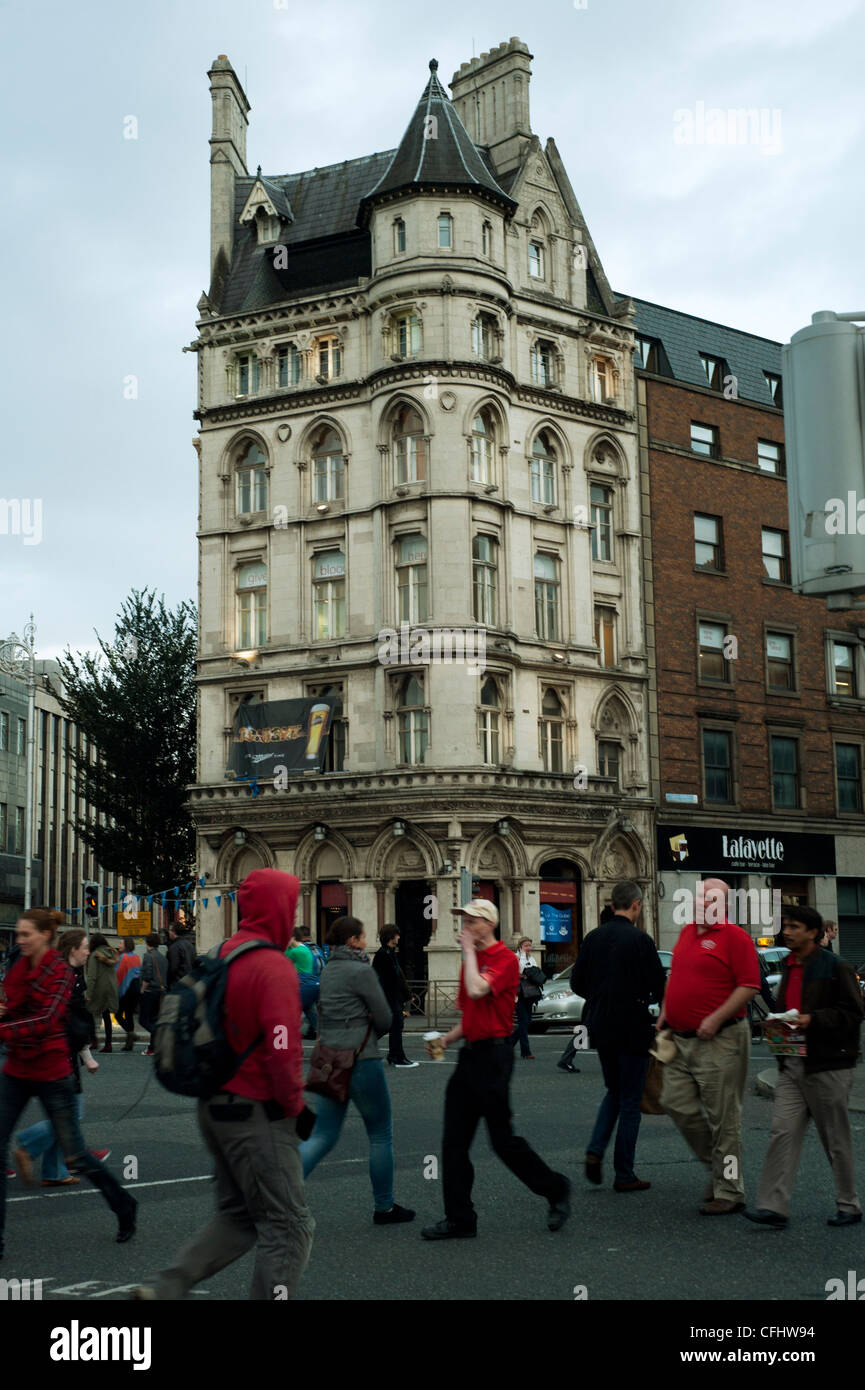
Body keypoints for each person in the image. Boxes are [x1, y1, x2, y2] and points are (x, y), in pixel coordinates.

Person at [132, 868, 315, 1300]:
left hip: (212, 1104)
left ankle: (164, 1288)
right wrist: (294, 1105)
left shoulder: (222, 953)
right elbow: (282, 1046)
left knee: (236, 1216)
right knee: (289, 1225)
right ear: (280, 908)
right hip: (256, 1112)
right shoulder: (273, 966)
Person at [421, 901, 571, 1240]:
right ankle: (460, 1219)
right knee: (453, 1142)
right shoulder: (471, 963)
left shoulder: (505, 959)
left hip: (495, 1057)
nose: (465, 927)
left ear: (488, 924)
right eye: (463, 920)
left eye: (471, 920)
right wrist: (446, 1039)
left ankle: (556, 1188)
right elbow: (470, 1014)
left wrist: (468, 954)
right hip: (470, 1056)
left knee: (503, 1142)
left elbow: (478, 989)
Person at [0, 909, 137, 1259]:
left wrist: (5, 1025)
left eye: (26, 934)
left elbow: (45, 1020)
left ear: (46, 936)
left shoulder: (59, 972)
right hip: (17, 1067)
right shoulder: (18, 967)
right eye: (18, 934)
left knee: (75, 1155)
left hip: (51, 1070)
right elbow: (11, 1005)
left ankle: (124, 1204)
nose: (20, 939)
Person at [745, 906, 864, 1229]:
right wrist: (777, 1026)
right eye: (785, 926)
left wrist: (812, 1019)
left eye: (794, 926)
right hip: (792, 1064)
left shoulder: (834, 966)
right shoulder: (789, 964)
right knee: (781, 1133)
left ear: (813, 932)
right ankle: (773, 1206)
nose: (787, 931)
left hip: (827, 1065)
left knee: (835, 1138)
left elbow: (853, 1013)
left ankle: (849, 1204)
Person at [300, 916, 415, 1223]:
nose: (367, 941)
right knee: (380, 1134)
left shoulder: (328, 970)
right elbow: (385, 1017)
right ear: (353, 941)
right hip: (361, 1057)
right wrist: (367, 1027)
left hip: (328, 1058)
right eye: (363, 937)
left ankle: (276, 1193)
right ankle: (384, 1206)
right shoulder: (361, 970)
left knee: (322, 1135)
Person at [657, 877, 760, 1215]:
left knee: (724, 1121)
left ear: (725, 905)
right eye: (702, 897)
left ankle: (730, 1190)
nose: (705, 903)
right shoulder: (687, 933)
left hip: (722, 1038)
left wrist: (715, 1018)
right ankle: (717, 1171)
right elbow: (676, 976)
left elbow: (749, 986)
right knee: (675, 1102)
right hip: (682, 1037)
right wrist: (666, 1010)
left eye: (713, 899)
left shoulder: (736, 938)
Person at [572, 881, 666, 1193]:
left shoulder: (593, 937)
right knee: (629, 1099)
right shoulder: (641, 939)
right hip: (633, 1025)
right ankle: (624, 1173)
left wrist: (599, 997)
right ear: (636, 905)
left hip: (601, 1025)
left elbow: (576, 982)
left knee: (613, 1090)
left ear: (613, 905)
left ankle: (595, 1149)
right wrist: (649, 999)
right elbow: (658, 983)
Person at [12, 928, 110, 1186]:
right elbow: (71, 1022)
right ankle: (28, 1144)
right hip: (60, 1053)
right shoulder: (67, 978)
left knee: (67, 1110)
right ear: (73, 949)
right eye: (85, 946)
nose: (88, 951)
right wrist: (87, 1054)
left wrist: (86, 1052)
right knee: (71, 1113)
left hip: (64, 1051)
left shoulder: (74, 975)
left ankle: (54, 1172)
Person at [373, 925, 416, 1067]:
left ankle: (395, 1055)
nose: (398, 937)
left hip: (393, 998)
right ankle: (396, 1056)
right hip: (388, 998)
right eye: (396, 935)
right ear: (390, 936)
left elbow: (399, 976)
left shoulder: (390, 953)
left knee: (394, 1026)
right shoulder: (382, 955)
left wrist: (407, 995)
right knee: (391, 1026)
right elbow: (384, 980)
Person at [86, 934, 119, 1053]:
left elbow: (92, 976)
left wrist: (88, 993)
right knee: (106, 1016)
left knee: (89, 1011)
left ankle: (94, 1040)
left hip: (99, 988)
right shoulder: (112, 953)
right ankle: (108, 1043)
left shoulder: (95, 955)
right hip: (111, 987)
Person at [285, 927, 319, 1040]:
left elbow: (283, 959)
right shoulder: (307, 949)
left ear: (293, 938)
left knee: (290, 1010)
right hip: (313, 984)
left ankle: (287, 1036)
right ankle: (319, 1032)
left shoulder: (295, 951)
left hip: (301, 984)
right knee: (309, 1009)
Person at [139, 933, 168, 1056]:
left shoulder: (147, 956)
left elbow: (147, 975)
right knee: (154, 1019)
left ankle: (158, 1037)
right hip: (160, 992)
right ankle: (152, 1047)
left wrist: (142, 989)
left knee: (143, 1020)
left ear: (147, 943)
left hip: (149, 991)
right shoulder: (163, 957)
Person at [509, 937, 538, 1061]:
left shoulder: (531, 958)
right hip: (519, 994)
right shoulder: (515, 957)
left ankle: (508, 1044)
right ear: (520, 946)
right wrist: (521, 956)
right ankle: (526, 1052)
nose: (528, 948)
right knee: (523, 1022)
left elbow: (536, 971)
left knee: (526, 1022)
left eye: (530, 945)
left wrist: (528, 974)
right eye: (526, 945)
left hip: (530, 994)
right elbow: (518, 971)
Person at [115, 938, 141, 1052]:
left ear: (126, 945)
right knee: (129, 1015)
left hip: (127, 989)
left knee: (118, 1014)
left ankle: (131, 1034)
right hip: (136, 988)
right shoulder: (136, 957)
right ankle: (129, 1044)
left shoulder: (123, 958)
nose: (119, 945)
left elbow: (120, 976)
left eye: (121, 943)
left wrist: (119, 993)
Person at [166, 921, 196, 989]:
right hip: (190, 982)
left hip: (178, 984)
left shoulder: (174, 947)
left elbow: (173, 968)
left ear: (174, 932)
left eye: (170, 930)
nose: (169, 932)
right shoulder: (190, 945)